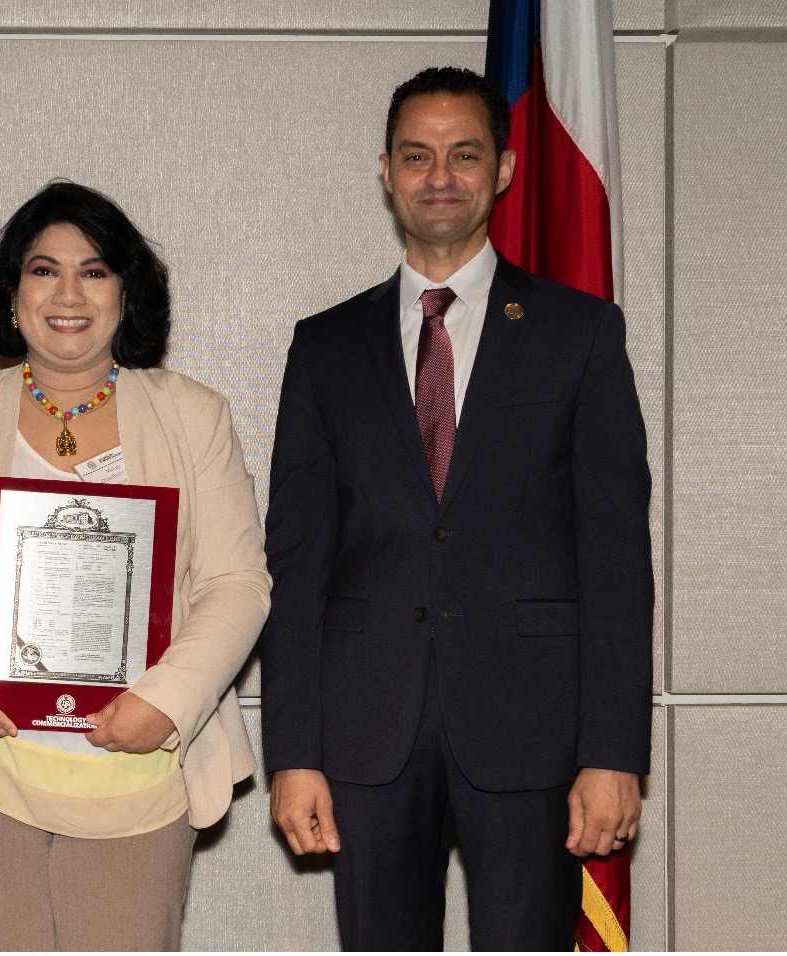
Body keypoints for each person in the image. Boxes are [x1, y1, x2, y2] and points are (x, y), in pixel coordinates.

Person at [261, 66, 653, 951]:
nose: (440, 175)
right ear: (387, 171)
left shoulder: (578, 333)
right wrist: (293, 751)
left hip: (534, 733)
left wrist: (614, 750)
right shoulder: (324, 347)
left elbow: (617, 558)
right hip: (366, 734)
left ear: (505, 169)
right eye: (417, 155)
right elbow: (298, 560)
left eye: (464, 154)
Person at [0, 181, 270, 951]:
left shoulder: (194, 414)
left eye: (94, 271)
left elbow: (237, 583)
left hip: (142, 774)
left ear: (127, 291)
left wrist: (168, 698)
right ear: (12, 292)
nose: (68, 293)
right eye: (43, 269)